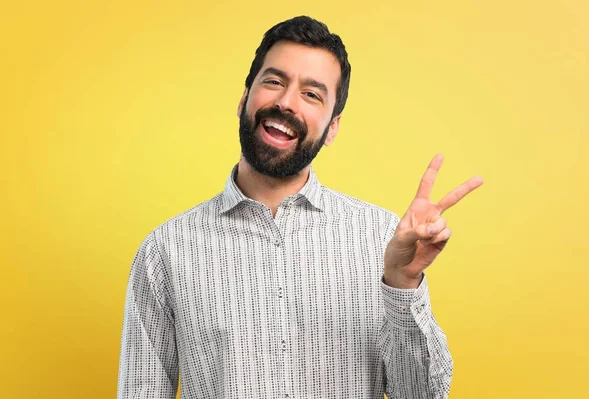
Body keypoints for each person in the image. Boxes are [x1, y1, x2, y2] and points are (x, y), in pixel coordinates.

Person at [117, 15, 483, 399]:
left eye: (312, 94)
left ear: (333, 126)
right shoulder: (165, 251)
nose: (286, 102)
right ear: (244, 98)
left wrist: (403, 284)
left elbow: (422, 395)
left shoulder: (383, 240)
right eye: (274, 81)